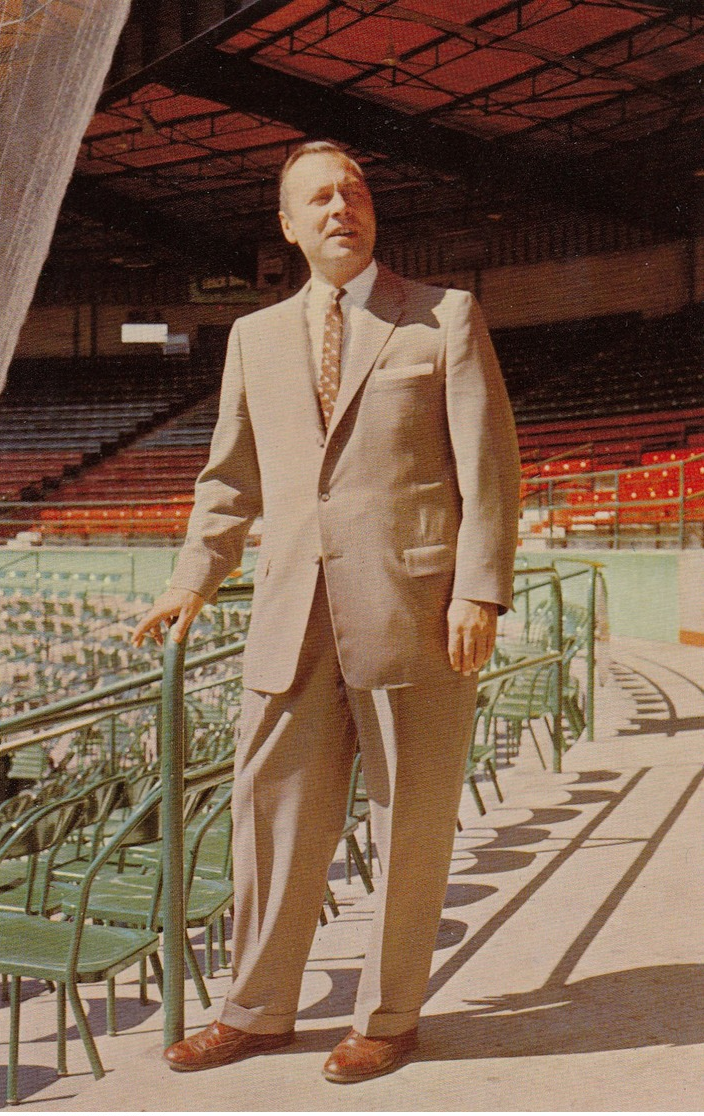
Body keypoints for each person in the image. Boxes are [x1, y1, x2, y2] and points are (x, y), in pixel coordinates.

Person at [133, 140, 521, 1083]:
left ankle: (388, 1017)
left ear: (371, 209)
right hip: (287, 613)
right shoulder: (254, 339)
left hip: (415, 613)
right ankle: (257, 1012)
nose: (339, 206)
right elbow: (228, 484)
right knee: (268, 815)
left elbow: (489, 468)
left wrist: (479, 587)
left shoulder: (444, 317)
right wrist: (193, 577)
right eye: (317, 196)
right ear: (286, 224)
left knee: (409, 816)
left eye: (353, 190)